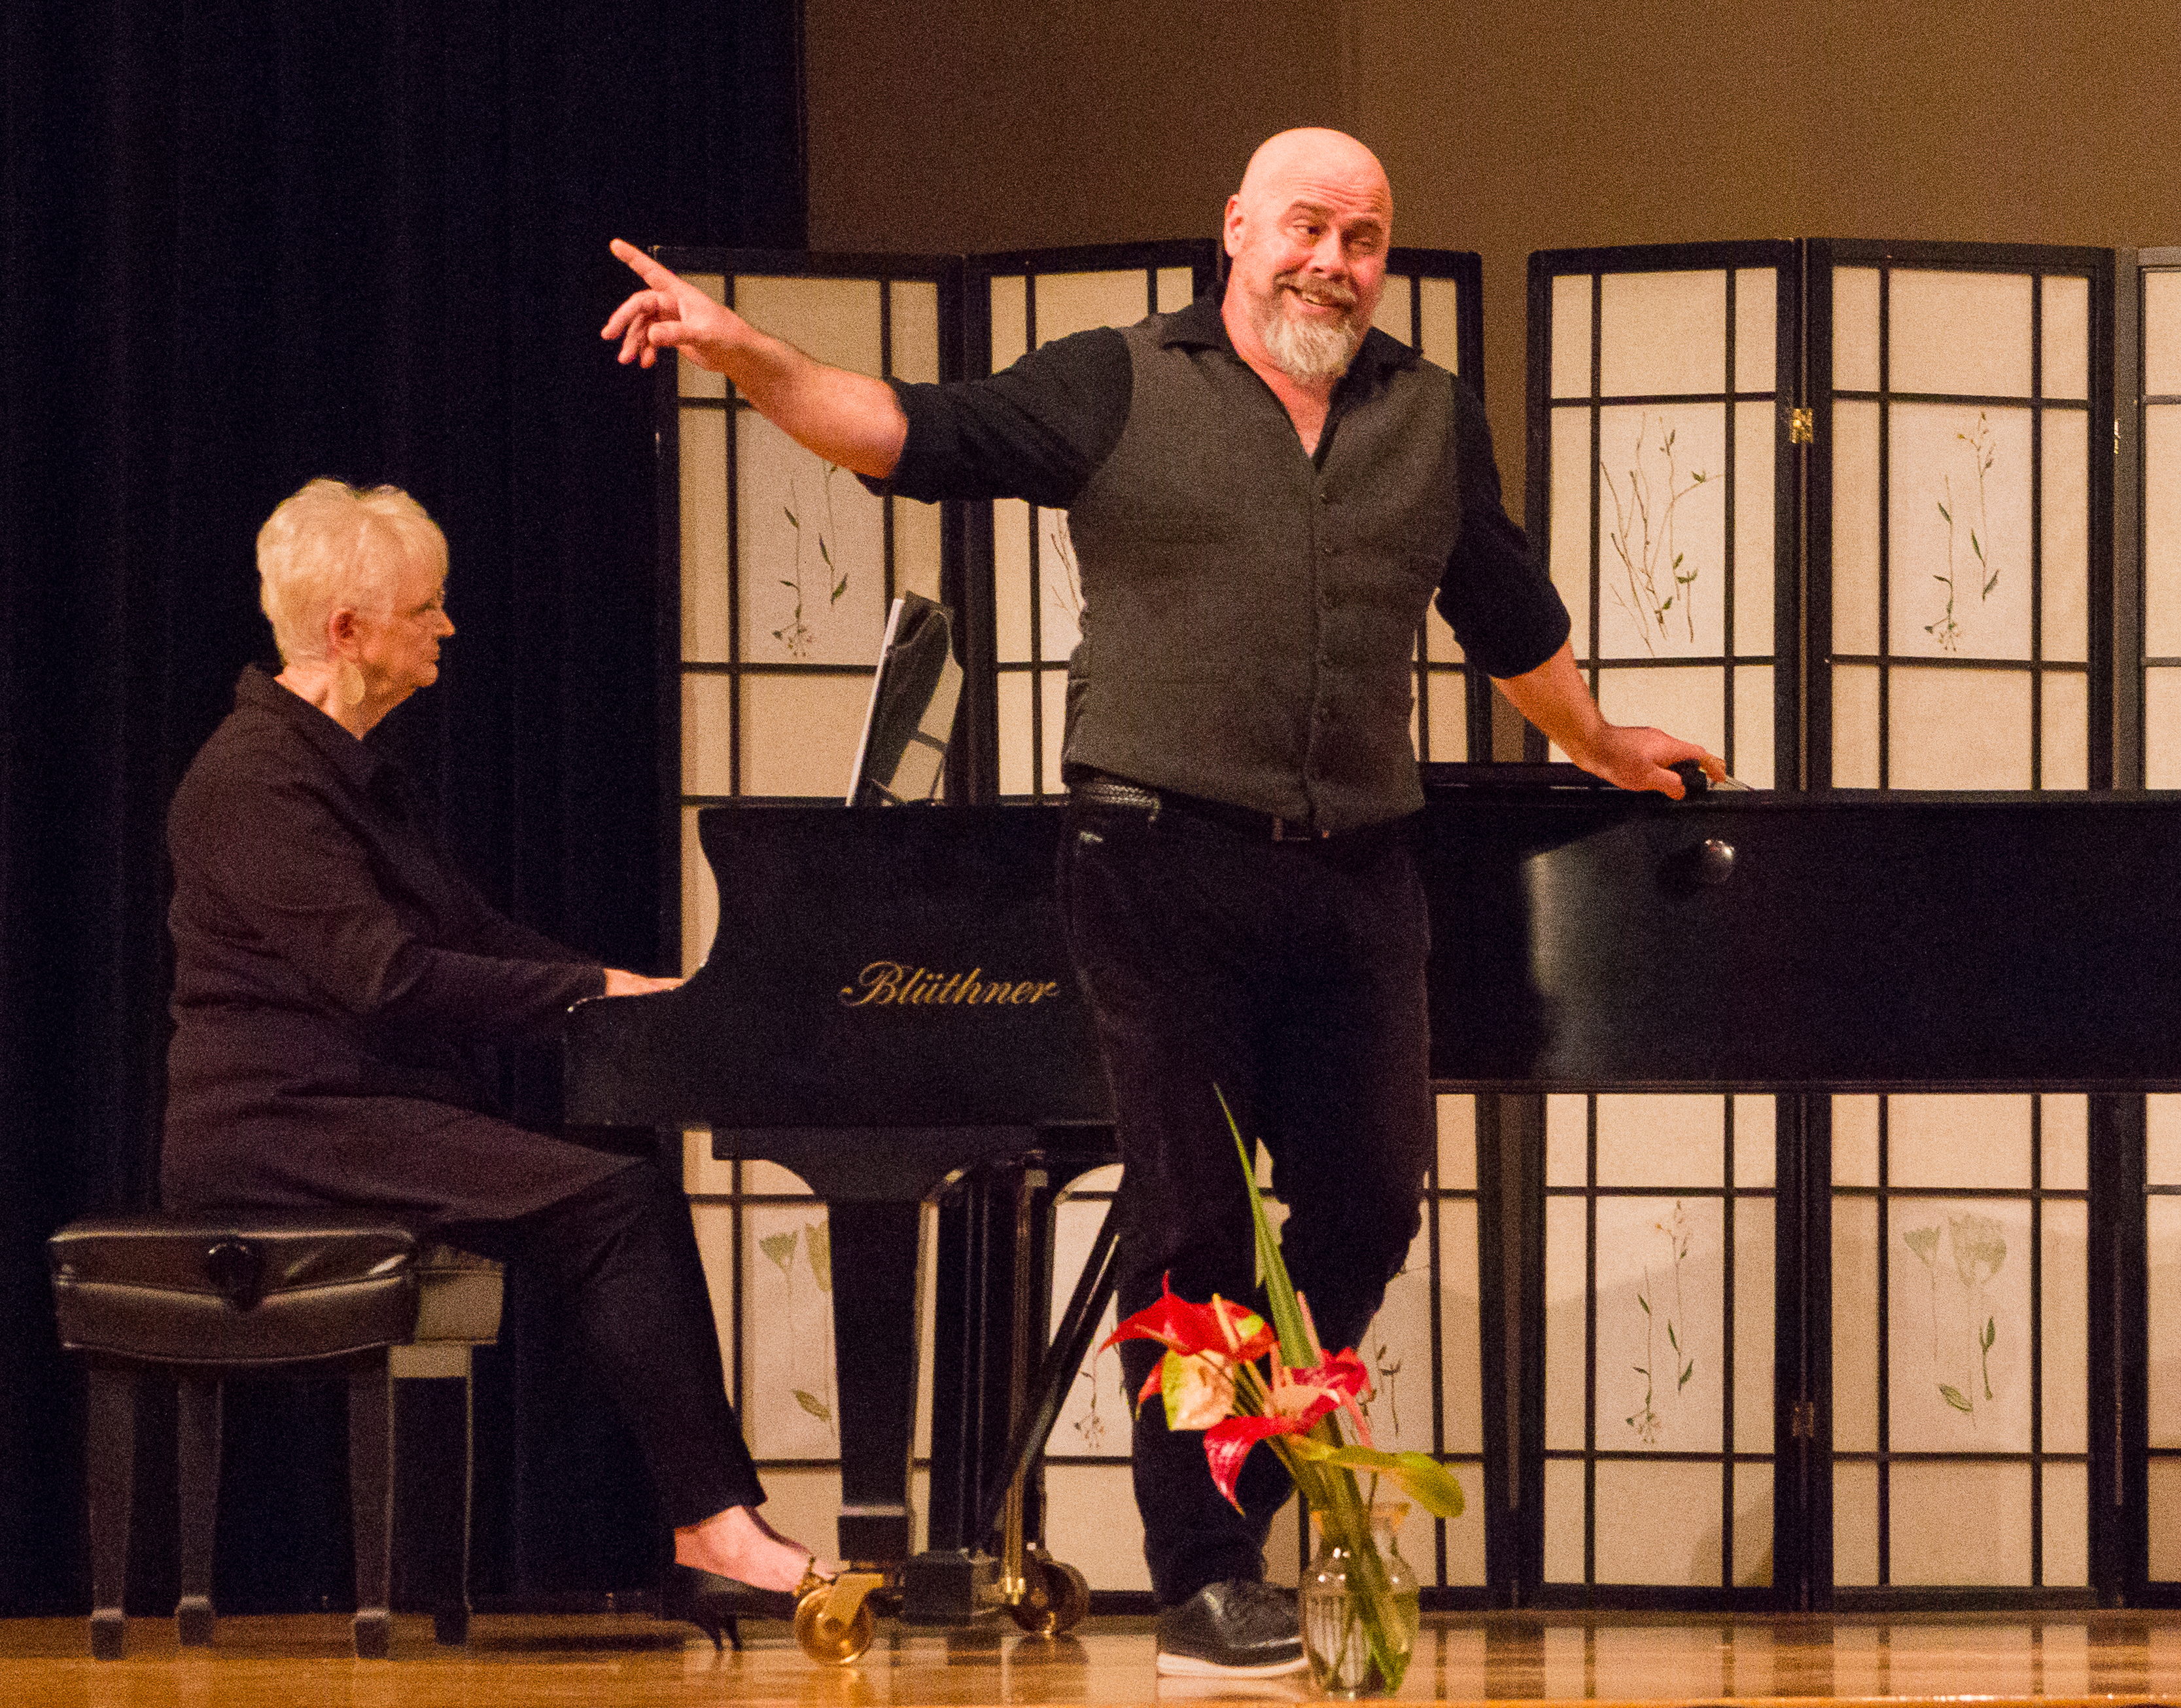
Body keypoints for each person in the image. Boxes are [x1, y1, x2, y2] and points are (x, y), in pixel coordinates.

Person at [604, 125, 1721, 1676]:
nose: (1334, 261)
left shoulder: (1424, 415)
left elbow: (1509, 614)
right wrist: (739, 349)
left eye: (1365, 237)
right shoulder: (1119, 380)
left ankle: (1238, 1495)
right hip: (1156, 865)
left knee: (1372, 1206)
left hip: (1357, 874)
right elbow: (898, 432)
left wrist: (1598, 741)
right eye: (1308, 227)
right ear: (1236, 231)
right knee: (1192, 1228)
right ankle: (1205, 1572)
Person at [162, 478, 817, 1647]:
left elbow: (470, 936)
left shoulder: (352, 765)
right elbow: (388, 978)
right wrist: (590, 994)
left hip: (356, 1108)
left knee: (613, 1165)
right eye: (428, 609)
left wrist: (639, 992)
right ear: (349, 633)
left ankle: (705, 1519)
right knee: (611, 1197)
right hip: (279, 1128)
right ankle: (710, 1527)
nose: (448, 628)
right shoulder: (255, 778)